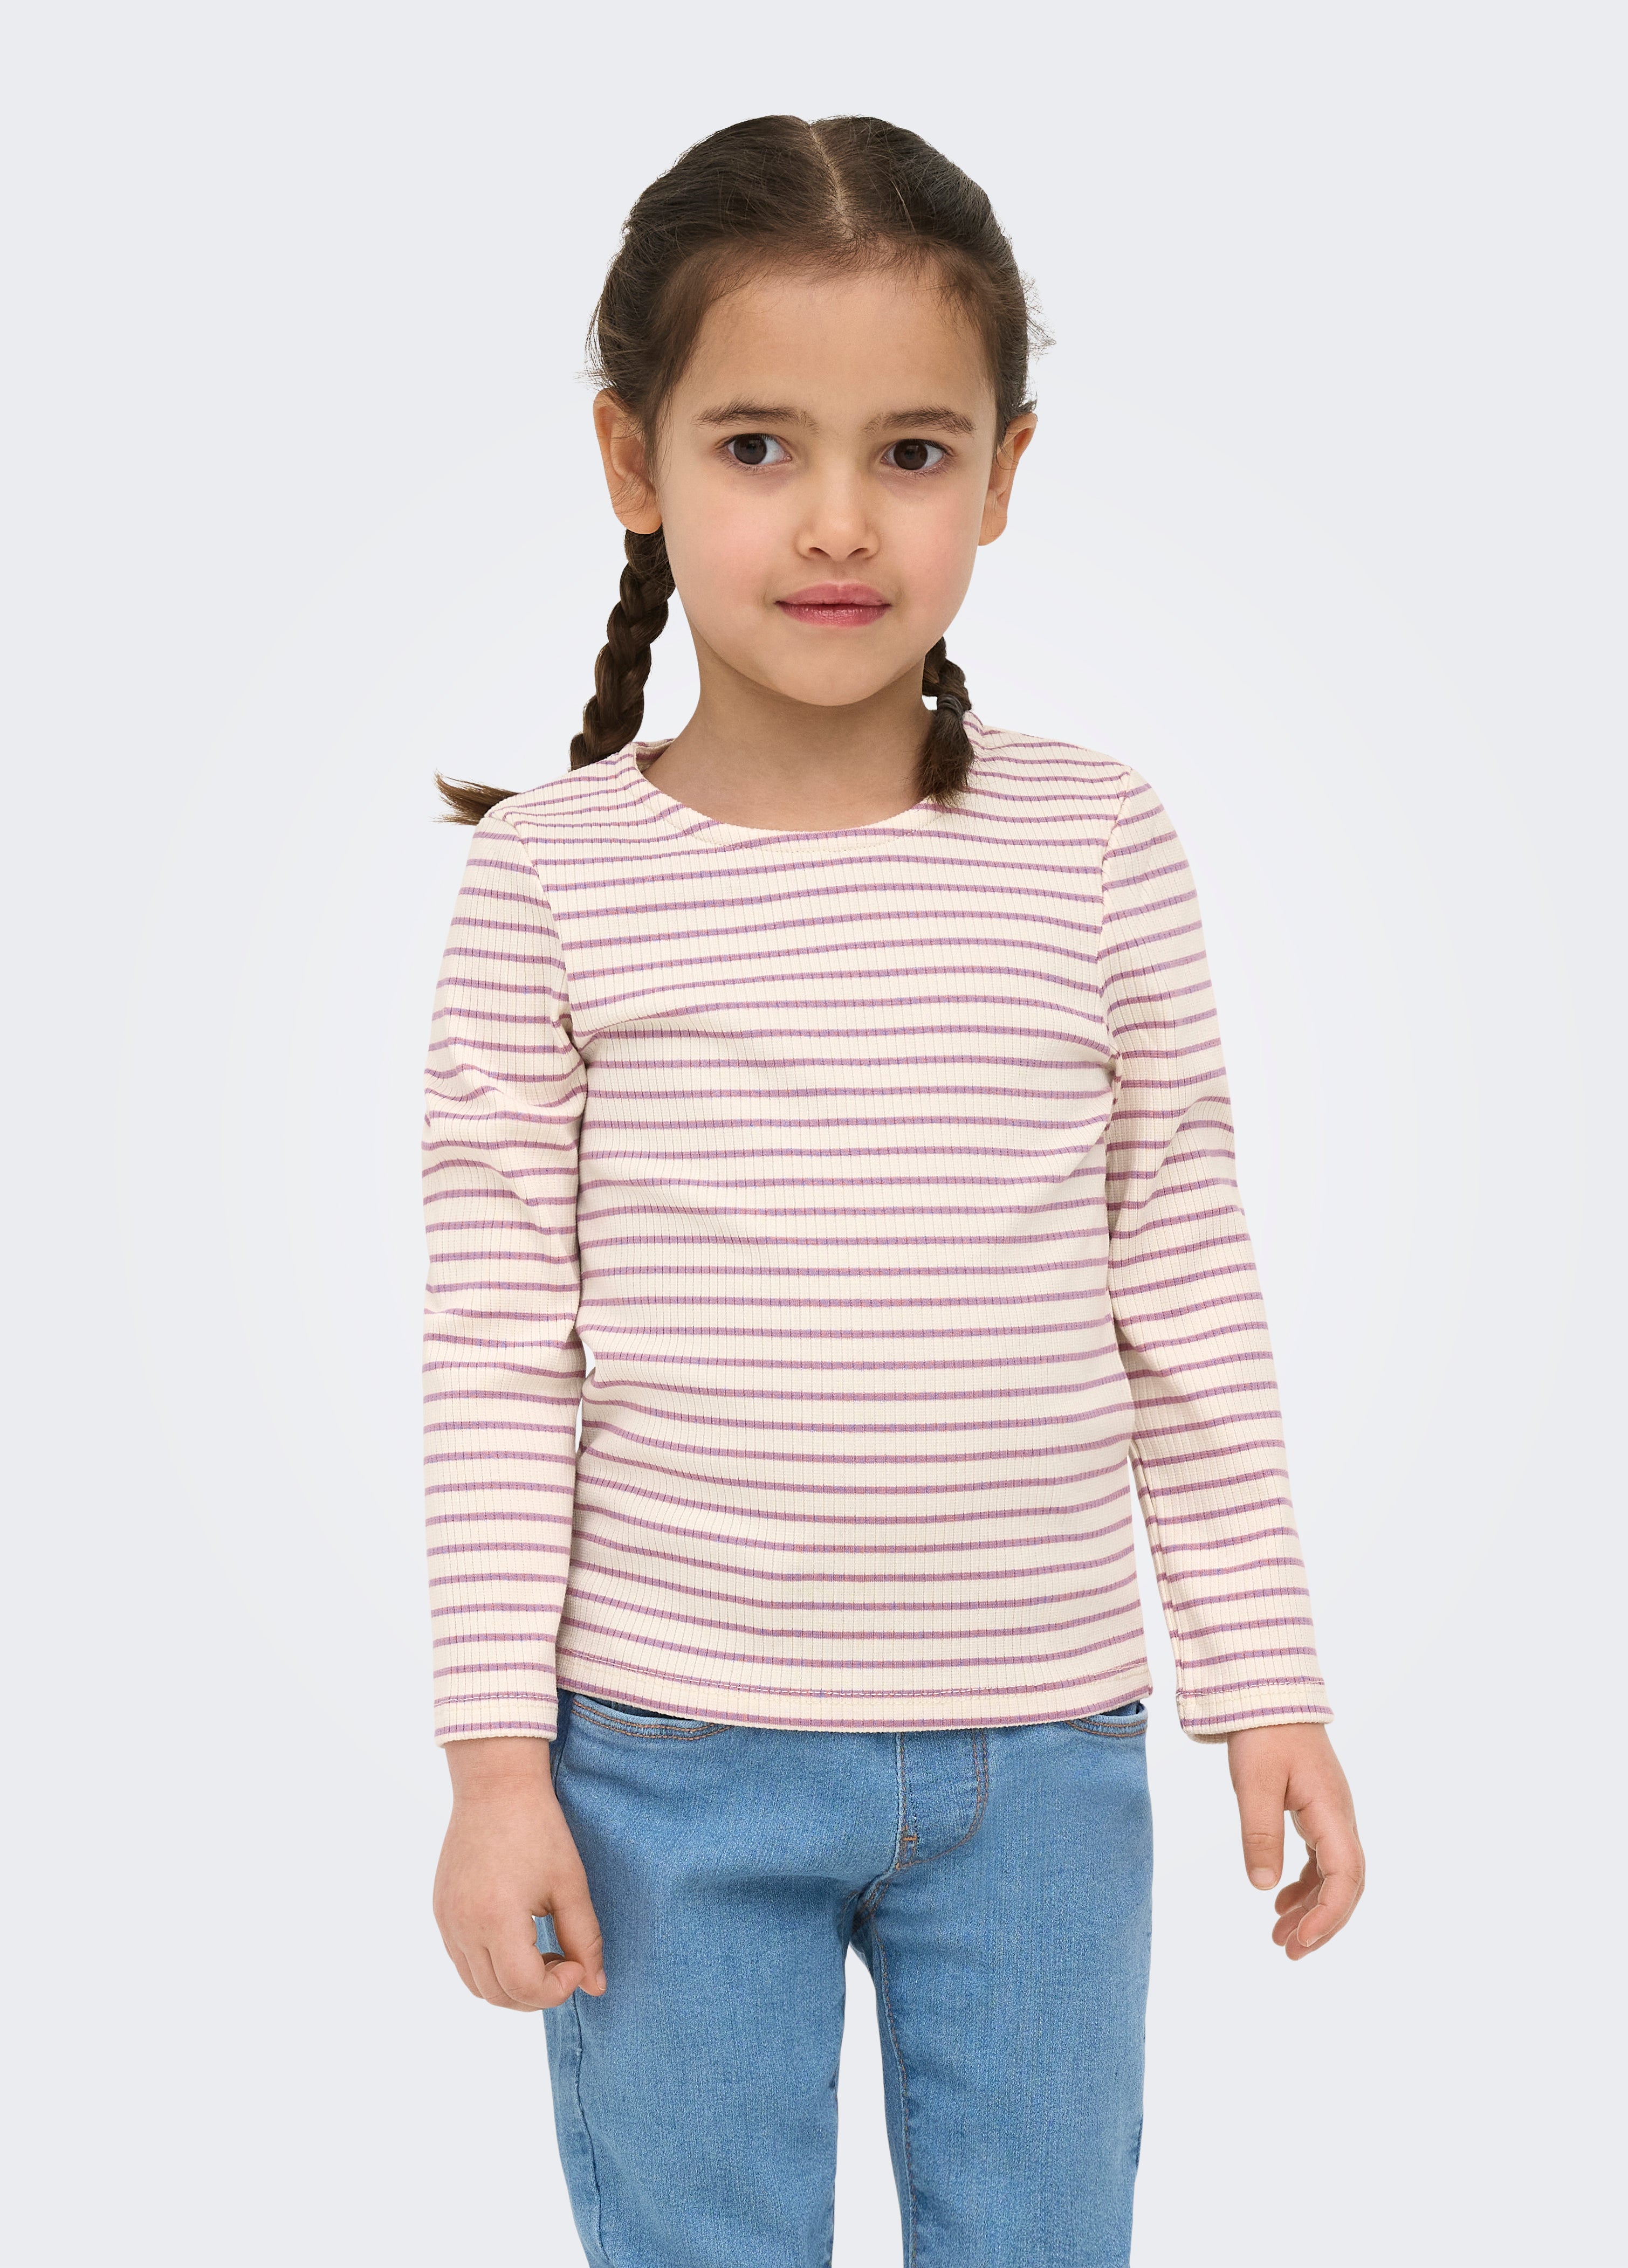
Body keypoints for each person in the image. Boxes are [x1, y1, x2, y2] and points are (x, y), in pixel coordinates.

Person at [424, 113, 1364, 2268]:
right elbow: (494, 1351)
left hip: (1045, 1767)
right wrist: (492, 1769)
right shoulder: (552, 882)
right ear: (633, 458)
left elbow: (1186, 1288)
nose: (839, 520)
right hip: (659, 1767)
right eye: (758, 445)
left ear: (1004, 474)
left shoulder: (1097, 844)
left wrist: (1266, 1684)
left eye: (913, 452)